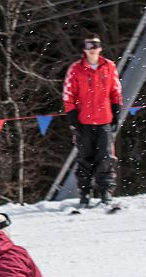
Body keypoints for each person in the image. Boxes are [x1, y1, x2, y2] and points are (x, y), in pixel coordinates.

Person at [63, 33, 123, 208]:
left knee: (105, 159)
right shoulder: (76, 69)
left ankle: (105, 193)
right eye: (89, 45)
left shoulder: (109, 66)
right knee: (84, 159)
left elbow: (115, 91)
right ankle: (85, 194)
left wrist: (116, 112)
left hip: (104, 121)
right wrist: (73, 120)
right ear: (84, 49)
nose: (93, 49)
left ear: (100, 48)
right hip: (84, 123)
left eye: (96, 45)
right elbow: (68, 95)